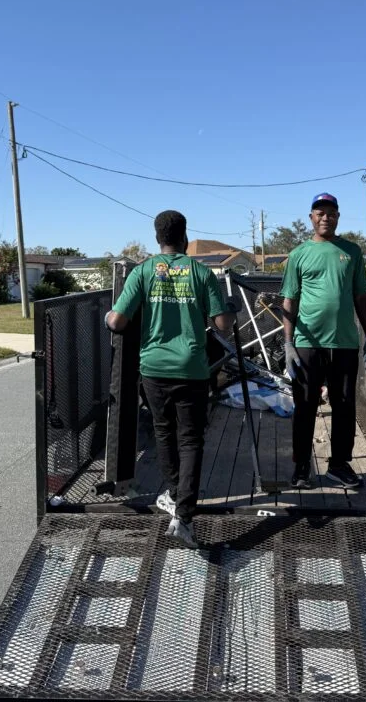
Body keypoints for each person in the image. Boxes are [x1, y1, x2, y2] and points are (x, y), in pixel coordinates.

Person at [105, 210, 235, 548]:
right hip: (191, 367)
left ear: (157, 237)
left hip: (154, 368)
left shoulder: (144, 271)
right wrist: (228, 308)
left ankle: (177, 497)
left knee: (164, 433)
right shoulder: (201, 272)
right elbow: (223, 325)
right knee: (191, 439)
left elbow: (118, 322)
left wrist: (108, 315)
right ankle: (185, 515)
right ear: (185, 237)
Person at [280, 192, 366, 490]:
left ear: (338, 217)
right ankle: (301, 467)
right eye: (319, 212)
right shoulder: (299, 254)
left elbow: (361, 295)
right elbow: (290, 299)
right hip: (307, 342)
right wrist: (287, 343)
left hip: (344, 342)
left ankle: (339, 464)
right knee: (305, 404)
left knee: (344, 403)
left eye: (331, 212)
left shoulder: (352, 251)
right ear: (311, 217)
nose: (325, 217)